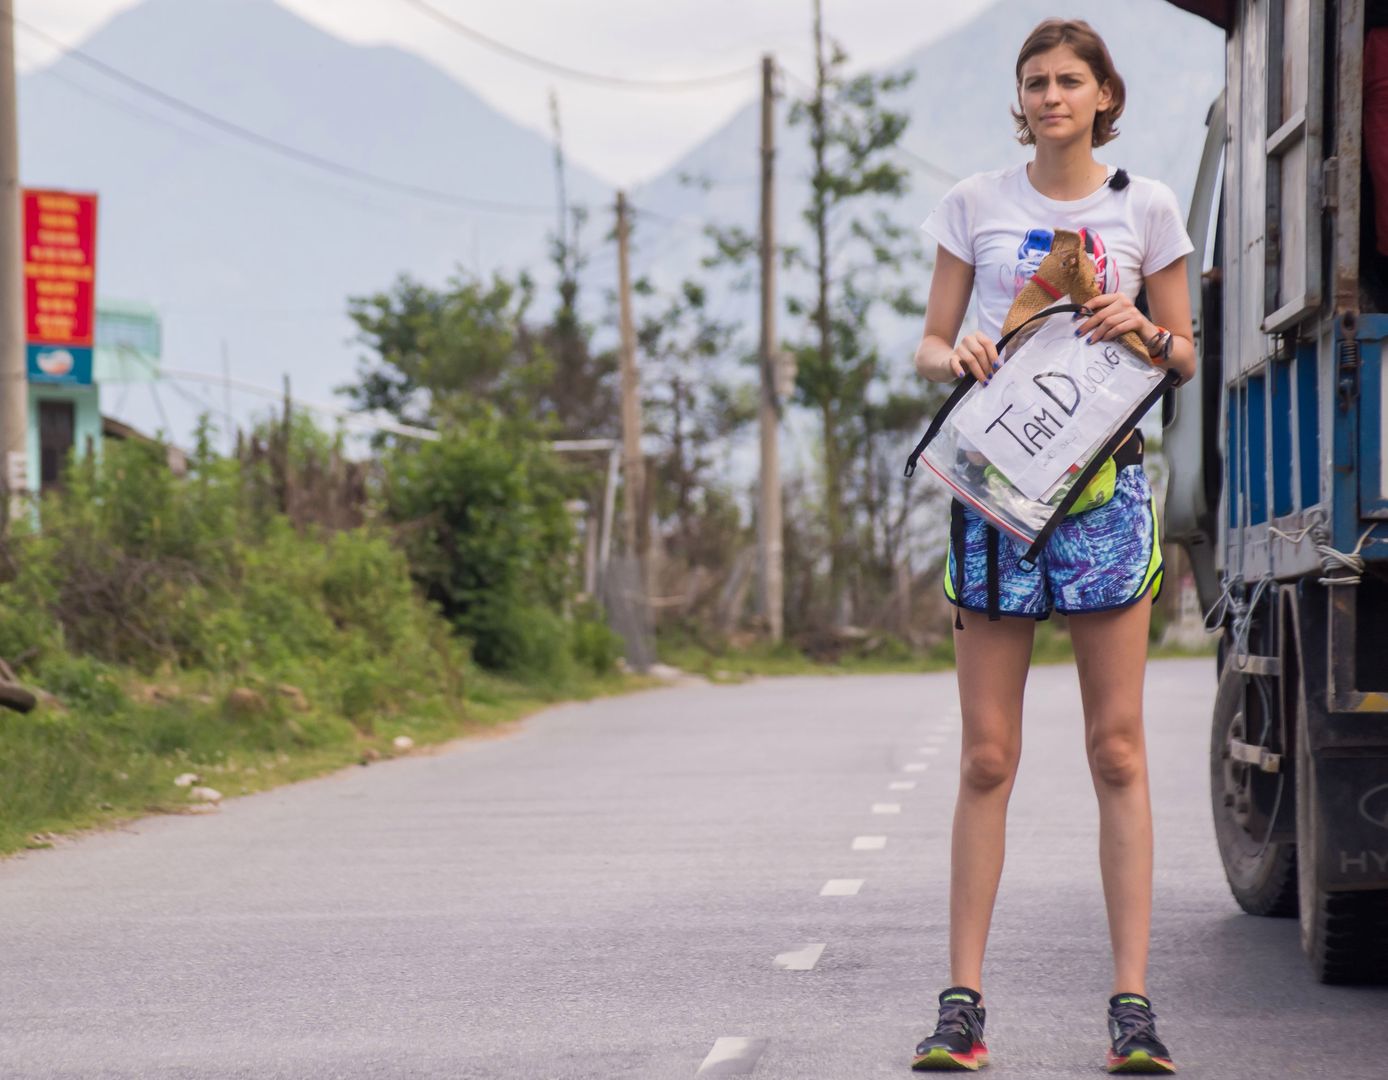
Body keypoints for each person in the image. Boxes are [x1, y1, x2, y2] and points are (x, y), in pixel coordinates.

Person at [908, 18, 1196, 1075]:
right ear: (1018, 99)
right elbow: (929, 342)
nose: (1049, 95)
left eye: (1068, 80)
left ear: (1102, 94)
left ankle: (1130, 1007)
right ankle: (960, 1008)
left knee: (1114, 750)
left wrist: (1140, 328)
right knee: (986, 756)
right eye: (1033, 81)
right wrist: (962, 350)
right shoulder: (974, 205)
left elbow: (1185, 356)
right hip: (994, 499)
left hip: (1104, 497)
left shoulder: (1145, 208)